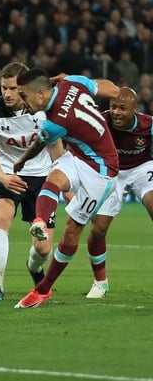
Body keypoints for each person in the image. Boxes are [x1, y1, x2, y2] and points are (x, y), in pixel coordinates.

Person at [13, 68, 120, 308]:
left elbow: (41, 141)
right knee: (54, 178)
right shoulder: (72, 81)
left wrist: (23, 160)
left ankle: (43, 289)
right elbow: (113, 90)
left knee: (72, 230)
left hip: (102, 171)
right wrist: (76, 78)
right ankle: (40, 220)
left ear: (41, 93)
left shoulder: (55, 122)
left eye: (24, 96)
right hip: (80, 155)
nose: (22, 102)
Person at [0, 62, 64, 302]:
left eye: (13, 88)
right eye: (4, 87)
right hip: (8, 174)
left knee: (43, 248)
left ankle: (34, 267)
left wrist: (65, 182)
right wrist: (3, 177)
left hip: (42, 177)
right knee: (2, 216)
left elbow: (56, 147)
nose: (7, 93)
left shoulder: (43, 110)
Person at [81, 87, 153, 299]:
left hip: (142, 168)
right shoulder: (99, 122)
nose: (116, 112)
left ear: (135, 109)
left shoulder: (148, 125)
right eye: (113, 107)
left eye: (123, 108)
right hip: (112, 171)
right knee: (98, 229)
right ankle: (100, 283)